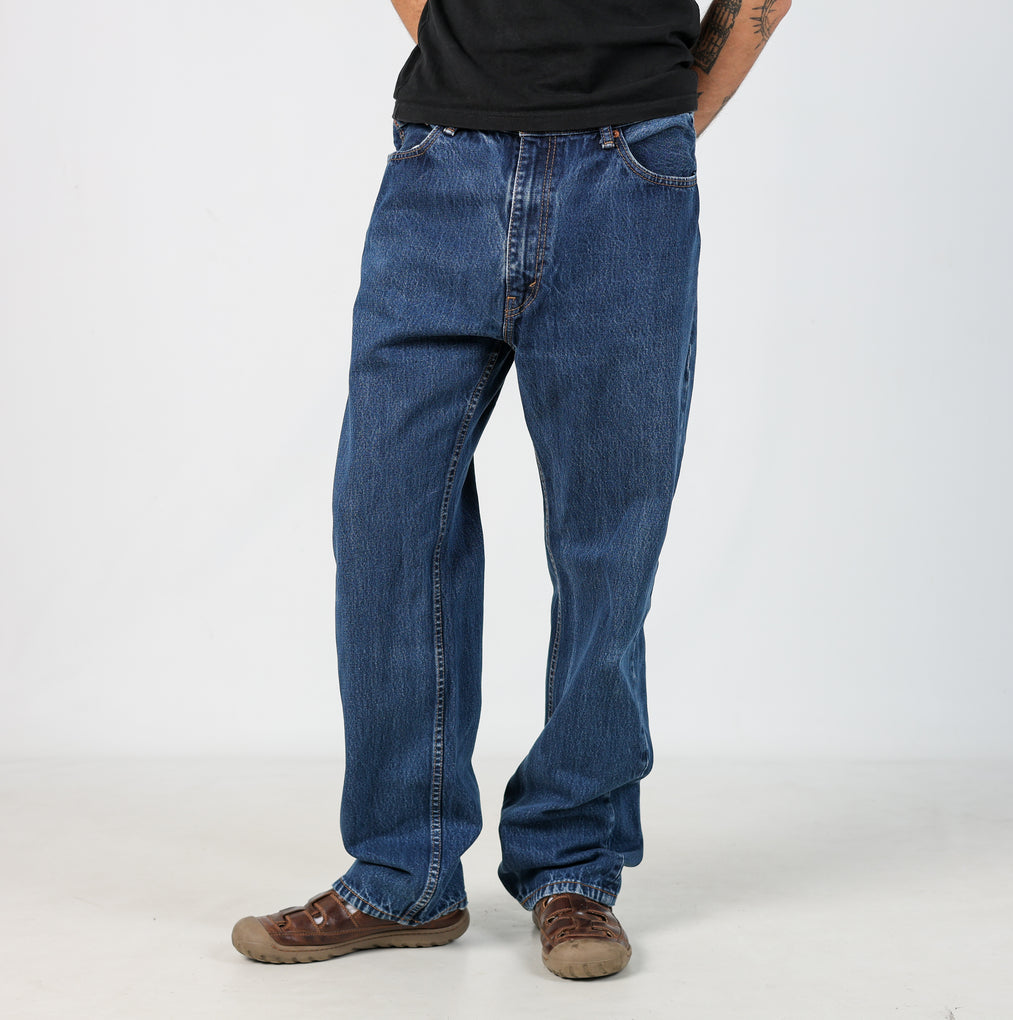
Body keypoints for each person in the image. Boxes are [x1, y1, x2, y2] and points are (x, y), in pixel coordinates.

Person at [232, 0, 791, 980]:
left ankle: (574, 866)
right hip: (441, 164)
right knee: (386, 519)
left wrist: (662, 115)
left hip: (628, 174)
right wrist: (481, 62)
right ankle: (404, 871)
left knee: (608, 545)